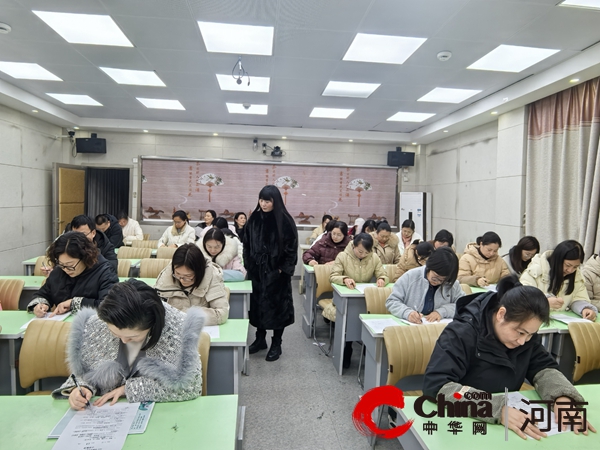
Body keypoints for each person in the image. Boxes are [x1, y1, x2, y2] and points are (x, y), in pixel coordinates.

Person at [423, 276, 595, 440]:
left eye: (530, 335)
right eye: (520, 332)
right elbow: (438, 385)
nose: (523, 341)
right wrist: (496, 408)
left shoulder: (525, 337)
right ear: (501, 314)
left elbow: (543, 368)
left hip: (508, 426)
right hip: (462, 422)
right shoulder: (461, 333)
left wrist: (562, 398)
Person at [52, 280, 204, 409]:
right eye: (116, 334)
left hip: (160, 413)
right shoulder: (97, 325)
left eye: (133, 337)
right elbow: (84, 373)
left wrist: (129, 389)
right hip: (105, 413)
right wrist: (82, 388)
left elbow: (190, 387)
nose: (124, 341)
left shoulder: (179, 331)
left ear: (152, 326)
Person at [244, 185, 298, 362]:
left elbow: (291, 249)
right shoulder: (254, 218)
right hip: (257, 272)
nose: (264, 204)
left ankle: (277, 343)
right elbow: (246, 243)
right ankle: (260, 339)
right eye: (261, 200)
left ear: (275, 201)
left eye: (267, 201)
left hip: (277, 274)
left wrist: (281, 270)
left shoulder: (285, 220)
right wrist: (250, 264)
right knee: (258, 306)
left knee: (277, 309)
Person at [329, 233, 388, 368]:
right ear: (354, 245)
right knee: (349, 324)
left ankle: (369, 349)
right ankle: (347, 348)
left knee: (372, 319)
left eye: (366, 252)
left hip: (366, 299)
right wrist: (344, 279)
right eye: (360, 251)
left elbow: (383, 274)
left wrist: (381, 279)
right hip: (347, 299)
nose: (363, 255)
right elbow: (333, 276)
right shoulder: (343, 256)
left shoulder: (373, 258)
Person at [27, 232, 119, 317]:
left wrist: (73, 303)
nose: (66, 270)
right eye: (61, 264)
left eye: (70, 265)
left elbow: (109, 306)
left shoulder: (105, 272)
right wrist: (41, 305)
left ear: (85, 258)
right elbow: (44, 293)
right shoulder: (59, 271)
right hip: (60, 326)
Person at [520, 240, 597, 320]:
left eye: (575, 267)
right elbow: (521, 298)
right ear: (557, 259)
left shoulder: (577, 276)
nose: (570, 270)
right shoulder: (535, 270)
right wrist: (544, 302)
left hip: (558, 326)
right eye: (568, 265)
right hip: (533, 323)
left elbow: (578, 298)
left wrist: (585, 309)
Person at [154, 243, 229, 325]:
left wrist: (184, 315)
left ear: (199, 272)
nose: (182, 280)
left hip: (201, 331)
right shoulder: (167, 275)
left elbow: (222, 313)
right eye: (178, 274)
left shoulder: (212, 276)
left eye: (188, 276)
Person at [386, 246, 463, 322]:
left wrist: (442, 312)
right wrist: (408, 313)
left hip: (439, 328)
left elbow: (463, 305)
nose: (438, 282)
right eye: (435, 277)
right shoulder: (411, 276)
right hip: (410, 328)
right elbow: (392, 301)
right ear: (430, 266)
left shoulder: (452, 283)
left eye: (443, 280)